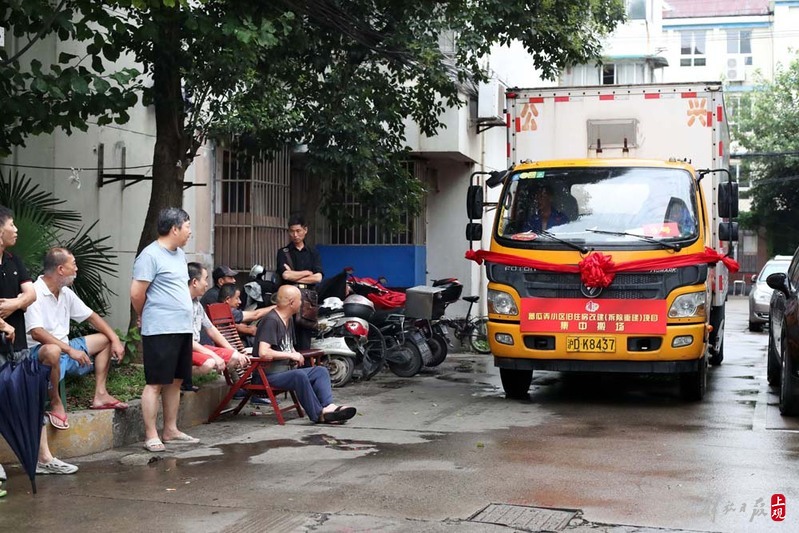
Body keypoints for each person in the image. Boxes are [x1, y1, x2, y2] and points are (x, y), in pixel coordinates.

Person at [0, 206, 77, 482]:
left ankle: (43, 458)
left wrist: (14, 304)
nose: (16, 229)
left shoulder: (13, 260)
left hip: (17, 347)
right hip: (4, 340)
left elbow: (30, 292)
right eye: (12, 224)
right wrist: (4, 322)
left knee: (31, 399)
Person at [25, 247, 128, 415]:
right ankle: (55, 402)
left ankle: (100, 394)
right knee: (53, 350)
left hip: (65, 348)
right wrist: (70, 350)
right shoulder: (34, 292)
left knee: (105, 339)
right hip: (40, 353)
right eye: (73, 264)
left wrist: (115, 339)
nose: (77, 269)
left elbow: (92, 317)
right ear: (60, 269)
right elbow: (37, 332)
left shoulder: (65, 293)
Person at [130, 207, 199, 453]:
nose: (190, 231)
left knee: (176, 380)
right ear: (175, 228)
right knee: (156, 382)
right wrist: (144, 314)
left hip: (181, 327)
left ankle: (170, 429)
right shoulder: (150, 255)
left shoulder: (179, 254)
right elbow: (137, 293)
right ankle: (151, 434)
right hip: (160, 328)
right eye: (187, 226)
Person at [254, 284, 356, 424]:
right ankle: (319, 415)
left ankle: (329, 406)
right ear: (291, 303)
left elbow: (287, 346)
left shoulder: (288, 319)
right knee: (299, 375)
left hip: (284, 372)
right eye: (300, 300)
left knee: (320, 371)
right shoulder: (271, 320)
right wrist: (290, 356)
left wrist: (294, 353)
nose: (302, 303)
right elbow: (263, 352)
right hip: (267, 376)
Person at [187, 262, 248, 377]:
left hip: (197, 346)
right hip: (185, 348)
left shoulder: (197, 304)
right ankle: (180, 377)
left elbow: (211, 329)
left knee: (234, 356)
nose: (206, 284)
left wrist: (233, 350)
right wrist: (214, 355)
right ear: (195, 282)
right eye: (205, 280)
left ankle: (233, 385)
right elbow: (186, 339)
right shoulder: (182, 305)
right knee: (209, 363)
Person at [275, 213, 322, 350]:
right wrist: (307, 273)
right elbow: (285, 276)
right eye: (292, 231)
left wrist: (294, 275)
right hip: (288, 299)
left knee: (305, 335)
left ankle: (306, 367)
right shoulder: (283, 252)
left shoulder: (313, 253)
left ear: (305, 230)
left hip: (308, 299)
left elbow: (318, 277)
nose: (295, 235)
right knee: (288, 334)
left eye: (298, 231)